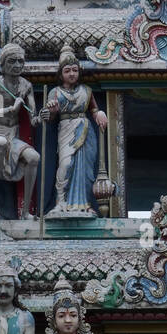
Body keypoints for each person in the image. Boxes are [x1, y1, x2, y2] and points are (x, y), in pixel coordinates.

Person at [41, 50, 108, 217]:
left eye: (75, 70)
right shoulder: (55, 92)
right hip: (66, 129)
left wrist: (99, 113)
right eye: (67, 70)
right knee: (65, 165)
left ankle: (84, 204)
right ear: (61, 74)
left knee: (86, 169)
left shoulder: (87, 90)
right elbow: (49, 118)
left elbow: (94, 109)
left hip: (85, 130)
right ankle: (60, 202)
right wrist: (50, 111)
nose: (72, 74)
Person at [0, 43, 42, 216]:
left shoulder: (25, 86)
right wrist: (11, 109)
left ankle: (25, 211)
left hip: (11, 134)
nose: (17, 66)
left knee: (34, 157)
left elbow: (33, 119)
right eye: (12, 61)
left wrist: (43, 116)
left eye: (20, 62)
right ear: (3, 64)